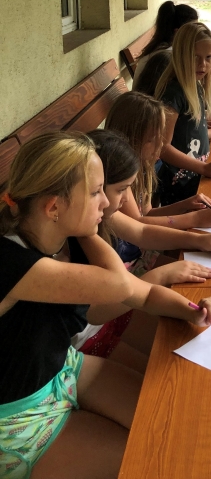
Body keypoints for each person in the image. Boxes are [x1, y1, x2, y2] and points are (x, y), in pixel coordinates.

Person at [0, 131, 140, 478]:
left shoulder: (50, 240)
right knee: (144, 454)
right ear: (53, 208)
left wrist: (82, 217)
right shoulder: (12, 262)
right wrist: (89, 230)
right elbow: (120, 284)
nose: (106, 202)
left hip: (63, 369)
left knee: (160, 411)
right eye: (95, 193)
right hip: (18, 421)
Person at [74, 129, 211, 373]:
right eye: (120, 190)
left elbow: (141, 232)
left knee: (182, 355)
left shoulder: (97, 219)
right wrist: (163, 275)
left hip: (119, 309)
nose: (120, 201)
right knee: (170, 371)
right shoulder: (81, 231)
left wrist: (199, 241)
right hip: (93, 333)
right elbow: (95, 312)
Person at [105, 91, 211, 235]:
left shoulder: (142, 167)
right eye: (152, 139)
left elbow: (148, 213)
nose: (160, 145)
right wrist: (194, 219)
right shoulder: (120, 177)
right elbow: (138, 223)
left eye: (161, 137)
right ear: (130, 139)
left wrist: (186, 205)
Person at [155, 22, 211, 206]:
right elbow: (163, 147)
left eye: (209, 57)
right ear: (181, 56)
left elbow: (187, 133)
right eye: (195, 57)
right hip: (180, 186)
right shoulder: (174, 94)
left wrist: (210, 130)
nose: (203, 64)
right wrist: (204, 168)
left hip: (198, 176)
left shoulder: (196, 84)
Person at [132, 1, 198, 90]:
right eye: (193, 31)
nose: (197, 36)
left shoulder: (162, 48)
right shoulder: (167, 57)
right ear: (178, 33)